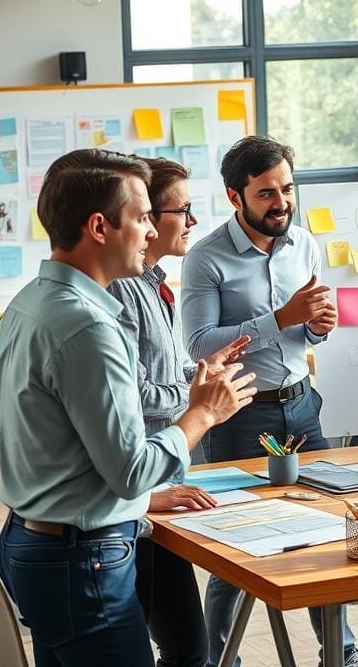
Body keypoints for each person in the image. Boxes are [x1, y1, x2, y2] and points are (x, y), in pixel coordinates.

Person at [0, 148, 257, 667]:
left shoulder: (33, 300)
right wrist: (202, 413)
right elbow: (132, 471)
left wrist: (137, 502)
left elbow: (79, 451)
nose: (149, 232)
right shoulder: (89, 326)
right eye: (140, 218)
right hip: (81, 562)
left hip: (40, 543)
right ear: (99, 226)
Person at [181, 135, 358, 667]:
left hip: (303, 405)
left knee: (328, 530)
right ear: (236, 198)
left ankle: (339, 651)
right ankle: (218, 660)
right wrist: (281, 319)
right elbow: (199, 343)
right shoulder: (205, 258)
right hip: (238, 414)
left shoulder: (303, 243)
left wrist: (319, 326)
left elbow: (309, 332)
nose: (280, 201)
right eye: (265, 193)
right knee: (235, 544)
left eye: (286, 188)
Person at [107, 157, 254, 667]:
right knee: (185, 646)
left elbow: (154, 377)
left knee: (185, 643)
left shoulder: (153, 283)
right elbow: (132, 393)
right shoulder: (124, 289)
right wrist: (198, 401)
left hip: (157, 480)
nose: (191, 222)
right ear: (144, 215)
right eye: (181, 210)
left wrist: (199, 374)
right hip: (137, 485)